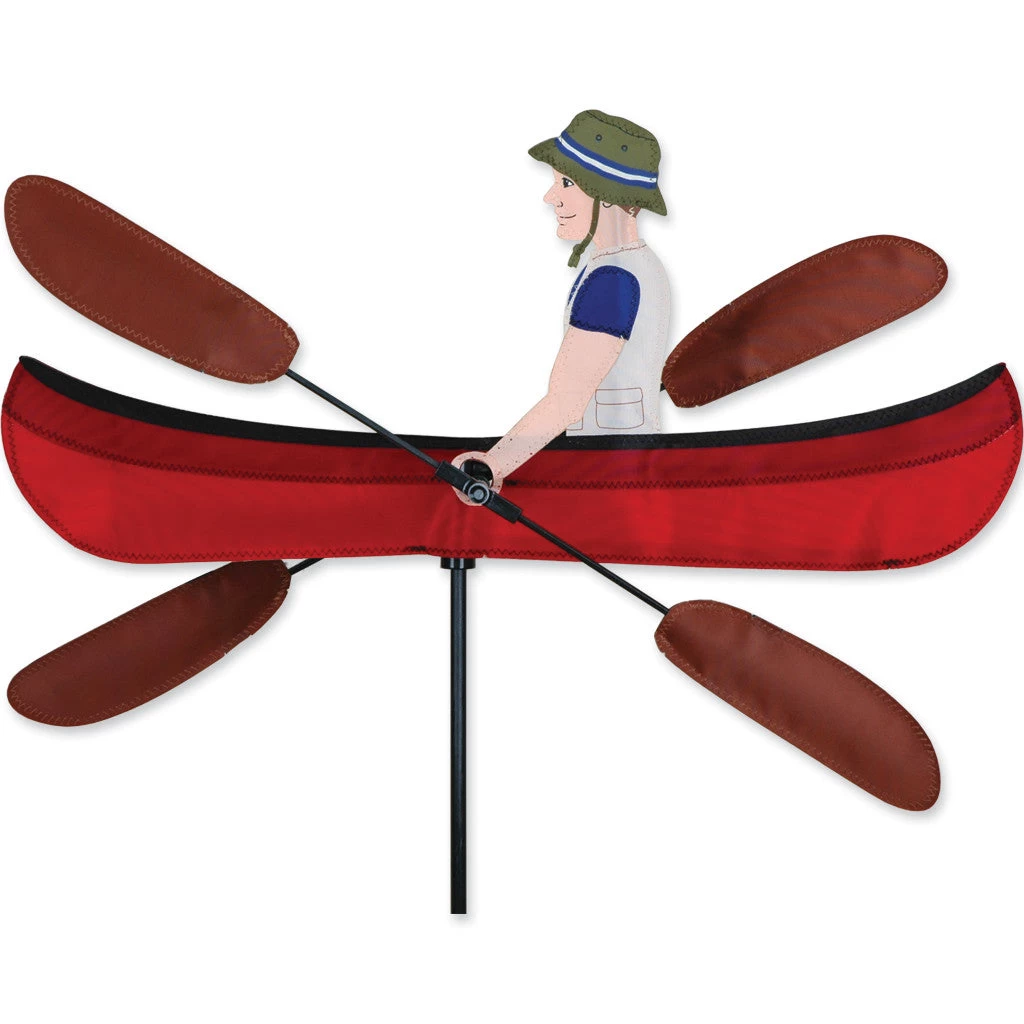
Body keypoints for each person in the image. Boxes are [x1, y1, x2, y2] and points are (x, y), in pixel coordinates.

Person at [454, 110, 671, 493]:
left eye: (566, 183)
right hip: (626, 464)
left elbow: (567, 400)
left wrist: (494, 465)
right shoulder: (635, 264)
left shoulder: (612, 280)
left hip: (605, 473)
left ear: (608, 196)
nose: (550, 197)